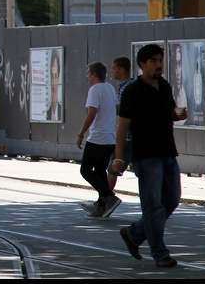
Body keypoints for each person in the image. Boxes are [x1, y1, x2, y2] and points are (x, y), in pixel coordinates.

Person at [113, 43, 188, 268]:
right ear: (142, 65)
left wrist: (177, 115)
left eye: (159, 60)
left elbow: (169, 112)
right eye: (154, 61)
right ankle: (160, 254)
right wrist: (118, 158)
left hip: (168, 151)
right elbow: (122, 127)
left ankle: (134, 234)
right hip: (146, 156)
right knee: (153, 206)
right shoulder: (132, 91)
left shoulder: (163, 85)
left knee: (172, 200)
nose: (158, 65)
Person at [76, 62, 121, 218]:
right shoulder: (109, 87)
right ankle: (101, 207)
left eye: (88, 73)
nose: (87, 76)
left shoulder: (95, 90)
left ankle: (109, 197)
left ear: (94, 74)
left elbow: (91, 113)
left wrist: (81, 134)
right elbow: (116, 109)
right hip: (110, 138)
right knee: (100, 170)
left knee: (86, 170)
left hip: (97, 138)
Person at [107, 56, 134, 191]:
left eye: (113, 68)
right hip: (129, 135)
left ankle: (104, 200)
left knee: (113, 167)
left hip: (127, 135)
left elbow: (124, 111)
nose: (112, 71)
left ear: (122, 70)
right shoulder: (125, 86)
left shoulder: (127, 87)